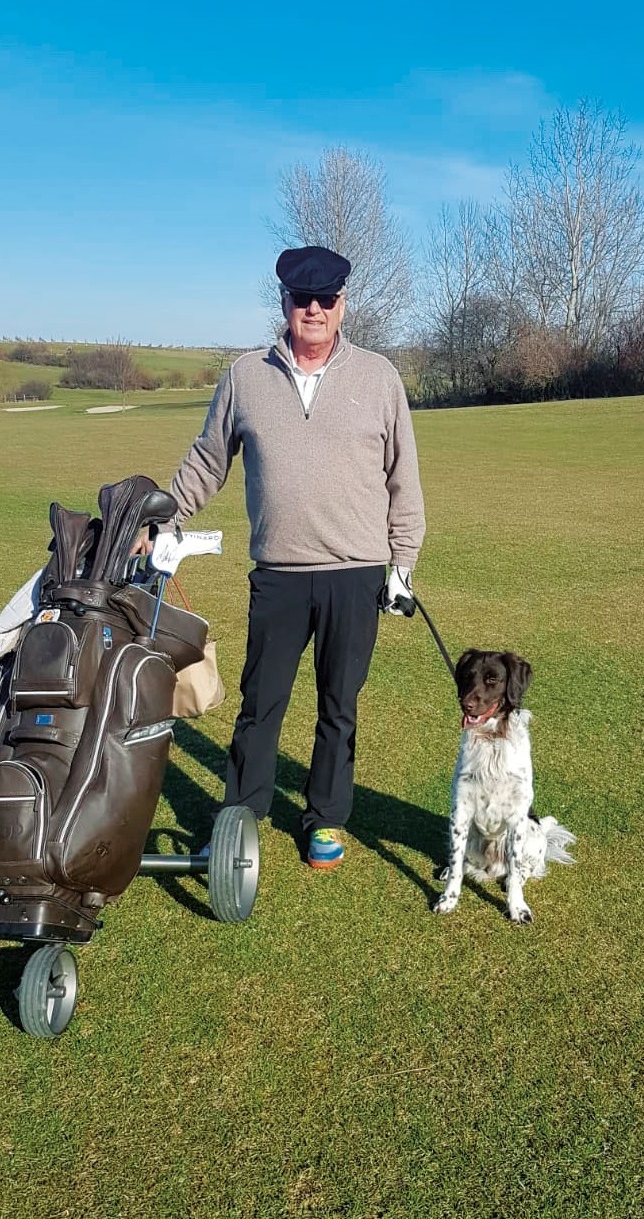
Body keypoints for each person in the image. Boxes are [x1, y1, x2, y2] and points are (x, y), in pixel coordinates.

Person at [168, 245, 425, 869]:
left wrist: (402, 563)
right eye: (301, 299)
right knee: (262, 703)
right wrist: (166, 517)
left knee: (340, 705)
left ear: (343, 306)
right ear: (284, 303)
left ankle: (325, 819)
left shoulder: (380, 377)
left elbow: (403, 477)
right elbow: (209, 461)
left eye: (326, 299)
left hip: (356, 575)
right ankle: (241, 815)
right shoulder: (245, 375)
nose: (313, 309)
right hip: (279, 575)